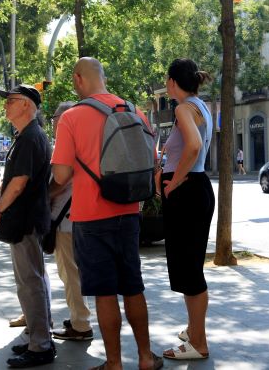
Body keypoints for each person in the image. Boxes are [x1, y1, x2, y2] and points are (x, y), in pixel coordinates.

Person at [51, 57, 162, 370]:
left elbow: (60, 176)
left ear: (78, 79)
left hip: (89, 216)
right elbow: (150, 161)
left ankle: (113, 362)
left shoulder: (71, 117)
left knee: (104, 292)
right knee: (132, 286)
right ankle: (144, 357)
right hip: (129, 212)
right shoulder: (134, 111)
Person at [0, 84, 54, 368]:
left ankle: (40, 345)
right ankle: (37, 337)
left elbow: (18, 184)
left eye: (11, 101)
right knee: (32, 281)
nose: (6, 106)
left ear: (27, 105)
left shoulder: (30, 137)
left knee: (30, 283)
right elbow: (11, 181)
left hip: (26, 219)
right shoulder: (26, 136)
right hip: (25, 218)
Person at [158, 59, 214, 360]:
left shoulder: (182, 108)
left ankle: (198, 343)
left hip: (187, 190)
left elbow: (193, 147)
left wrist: (172, 183)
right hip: (198, 187)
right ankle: (194, 332)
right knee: (191, 267)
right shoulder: (200, 105)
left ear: (171, 82)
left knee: (190, 271)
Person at [48, 101, 94, 342]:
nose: (54, 122)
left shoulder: (69, 142)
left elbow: (59, 180)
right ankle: (79, 317)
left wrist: (41, 197)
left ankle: (81, 324)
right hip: (78, 216)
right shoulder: (84, 140)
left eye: (56, 117)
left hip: (67, 220)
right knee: (73, 272)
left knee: (70, 273)